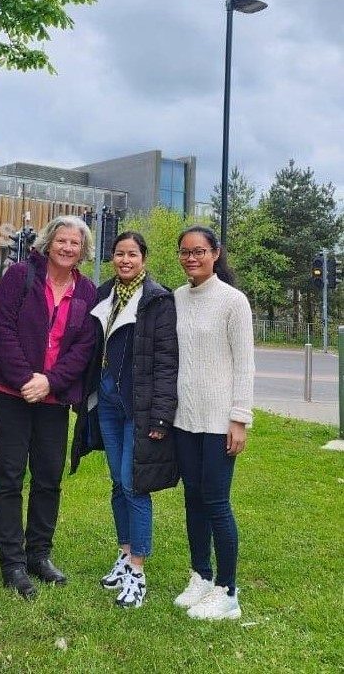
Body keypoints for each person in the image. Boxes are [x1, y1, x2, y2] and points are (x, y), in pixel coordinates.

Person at [0, 215, 96, 599]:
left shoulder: (87, 291)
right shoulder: (20, 276)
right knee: (9, 476)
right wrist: (25, 380)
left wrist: (50, 381)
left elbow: (84, 347)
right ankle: (12, 562)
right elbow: (3, 329)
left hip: (54, 397)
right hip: (10, 393)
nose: (68, 248)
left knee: (49, 476)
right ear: (49, 243)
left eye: (76, 244)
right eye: (62, 241)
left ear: (83, 251)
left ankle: (39, 554)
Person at [71, 231, 179, 608]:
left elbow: (167, 361)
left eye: (132, 254)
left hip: (141, 406)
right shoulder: (104, 294)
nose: (125, 260)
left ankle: (138, 569)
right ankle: (123, 553)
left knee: (135, 483)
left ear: (144, 258)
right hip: (108, 403)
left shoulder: (158, 300)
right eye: (119, 254)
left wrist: (163, 415)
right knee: (118, 481)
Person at [172, 225, 254, 620]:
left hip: (220, 420)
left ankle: (228, 590)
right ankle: (201, 575)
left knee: (216, 502)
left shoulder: (233, 302)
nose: (192, 257)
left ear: (215, 253)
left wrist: (239, 419)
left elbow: (245, 365)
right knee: (192, 498)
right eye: (185, 252)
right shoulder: (177, 298)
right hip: (185, 419)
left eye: (199, 251)